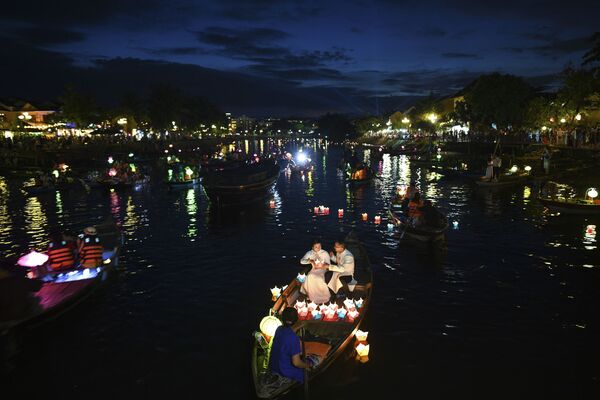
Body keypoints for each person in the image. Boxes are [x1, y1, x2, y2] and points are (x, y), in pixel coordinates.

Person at [268, 307, 312, 383]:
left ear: (282, 319)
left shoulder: (279, 329)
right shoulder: (293, 338)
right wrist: (308, 365)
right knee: (309, 363)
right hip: (285, 371)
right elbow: (296, 363)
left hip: (274, 366)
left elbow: (289, 332)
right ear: (296, 320)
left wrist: (298, 327)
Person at [299, 239, 331, 304]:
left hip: (322, 269)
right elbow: (302, 261)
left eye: (319, 246)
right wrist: (310, 261)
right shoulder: (309, 253)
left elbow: (329, 264)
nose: (318, 248)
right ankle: (312, 296)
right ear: (312, 247)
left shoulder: (324, 253)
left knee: (319, 279)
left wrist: (323, 264)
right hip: (314, 269)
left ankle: (323, 297)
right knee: (310, 277)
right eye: (316, 247)